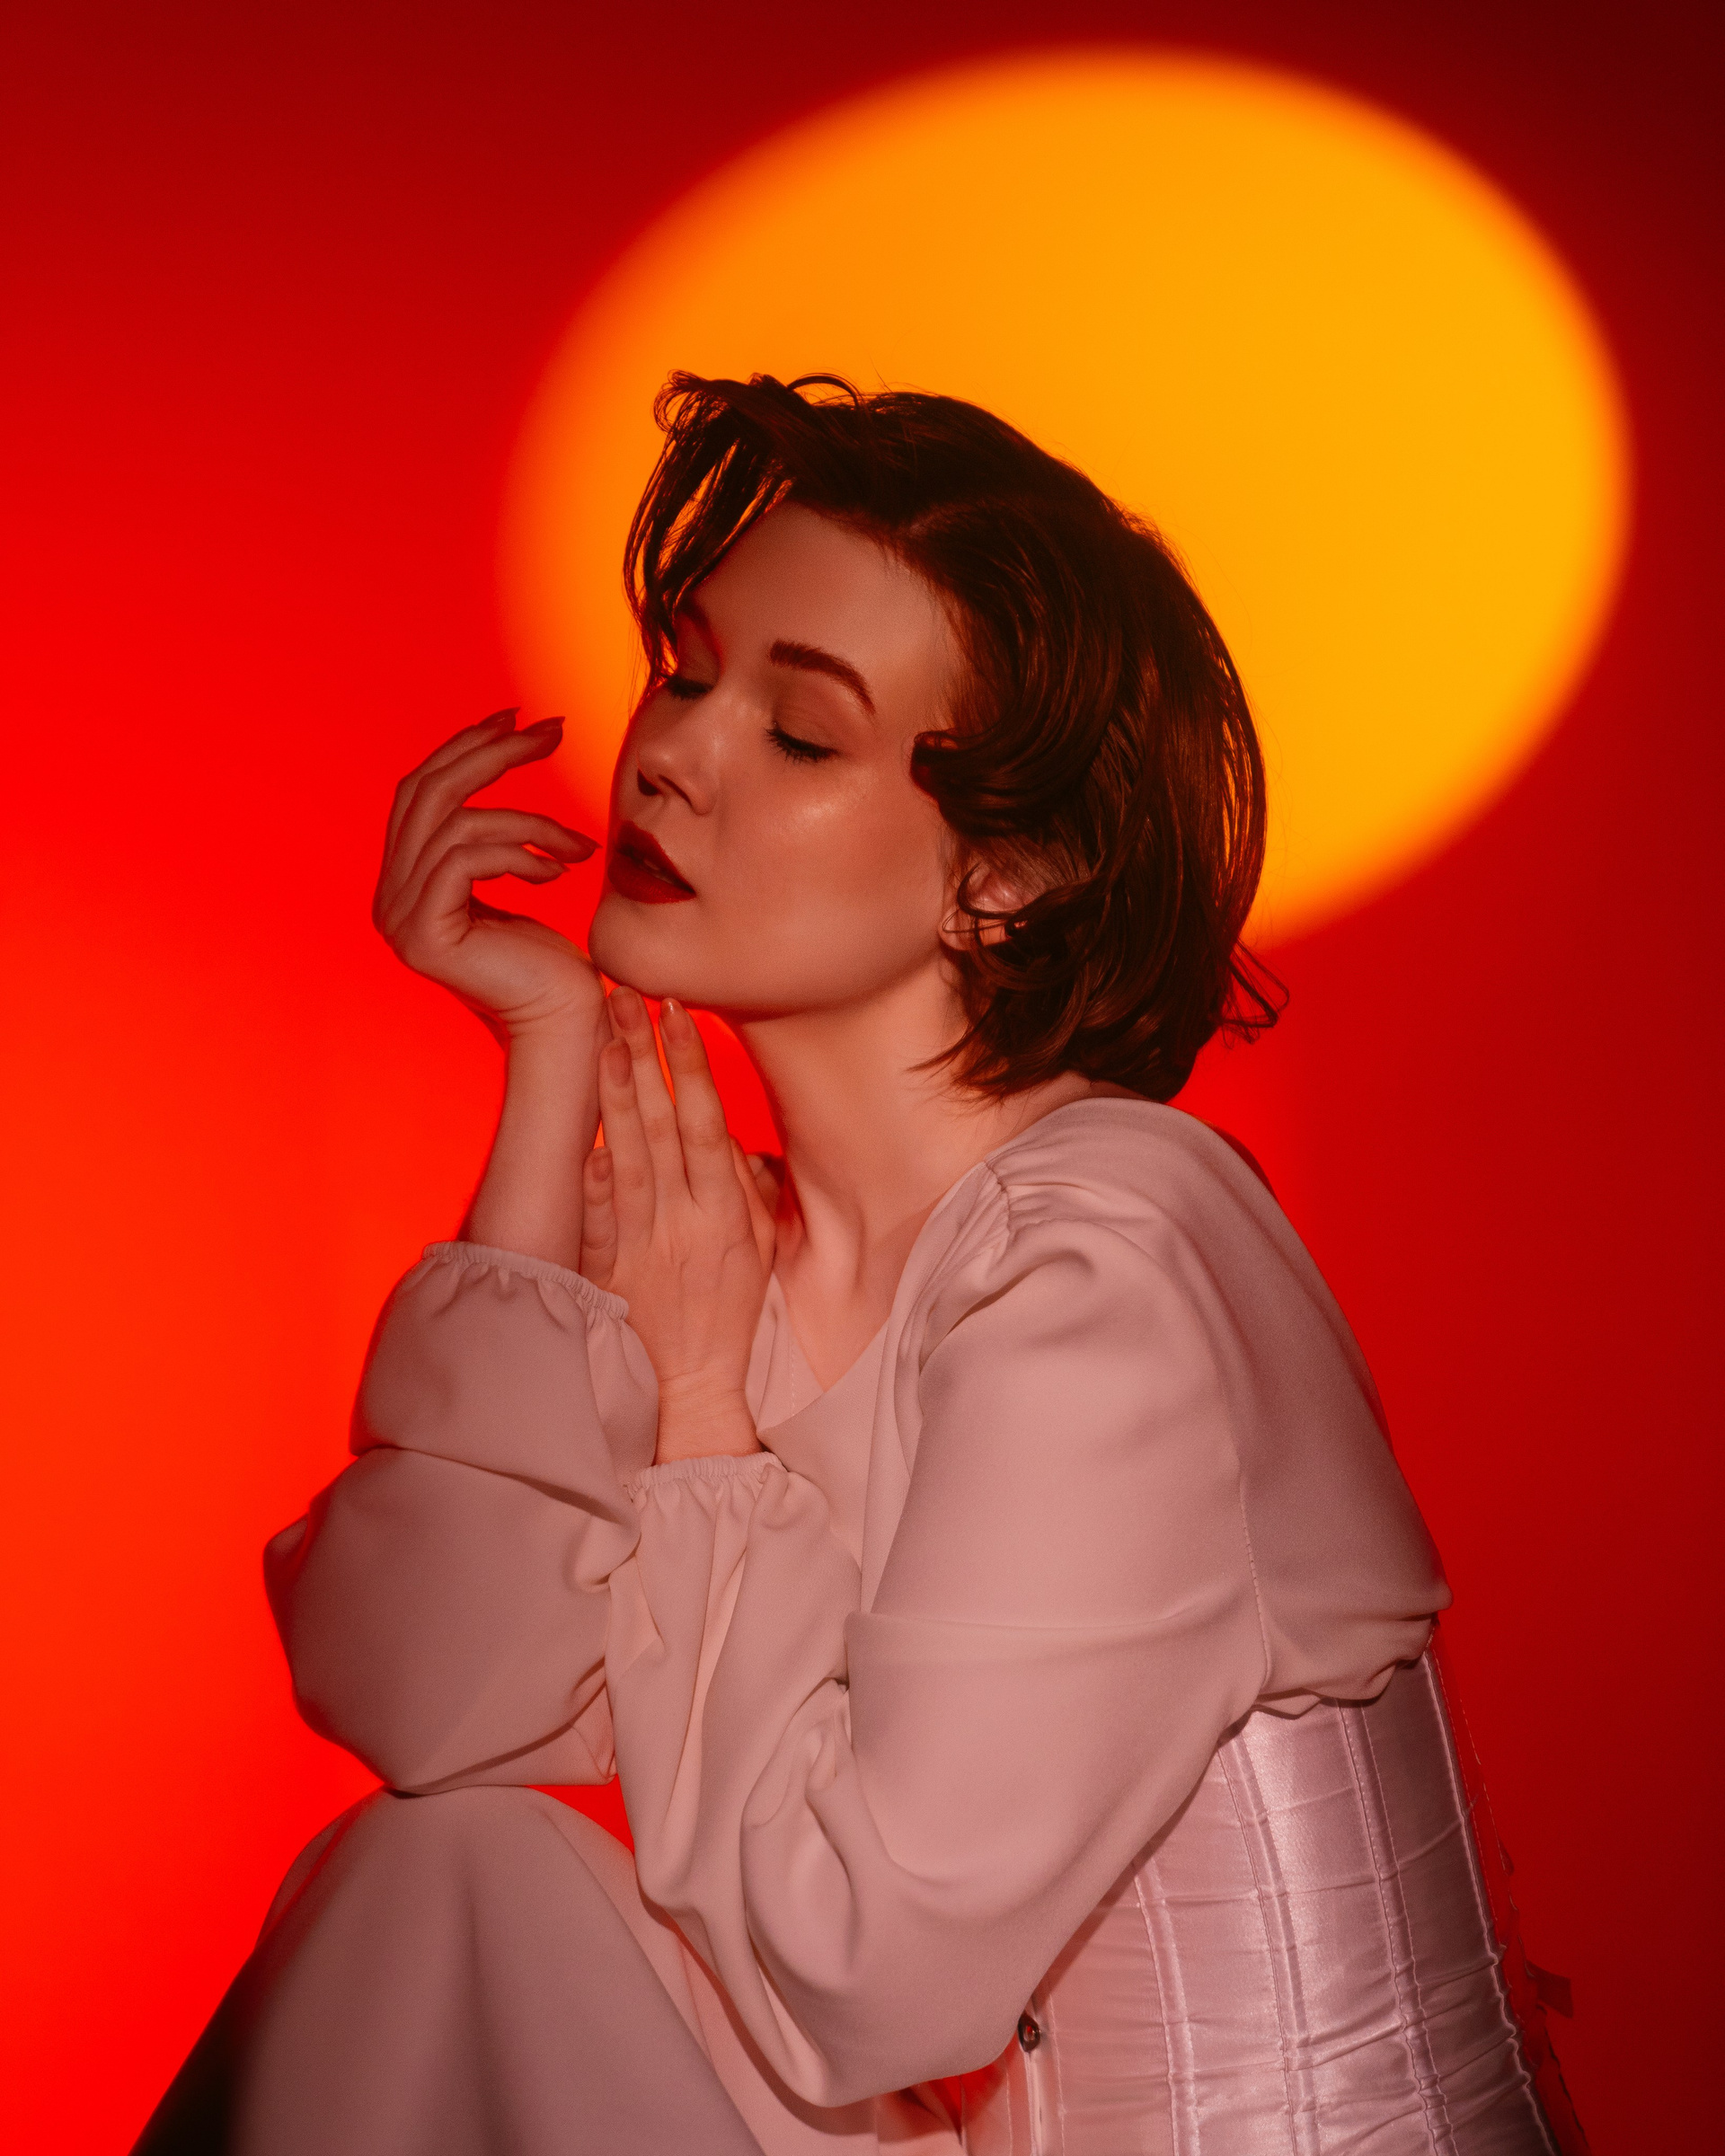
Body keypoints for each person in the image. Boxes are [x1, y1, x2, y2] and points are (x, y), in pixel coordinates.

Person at [136, 375, 1576, 2154]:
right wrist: (548, 1065)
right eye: (686, 671)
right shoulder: (719, 1252)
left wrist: (703, 1415)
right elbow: (427, 1705)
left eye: (802, 736)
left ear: (1008, 875)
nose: (671, 755)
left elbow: (866, 1980)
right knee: (436, 1873)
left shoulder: (1107, 1261)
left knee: (452, 1895)